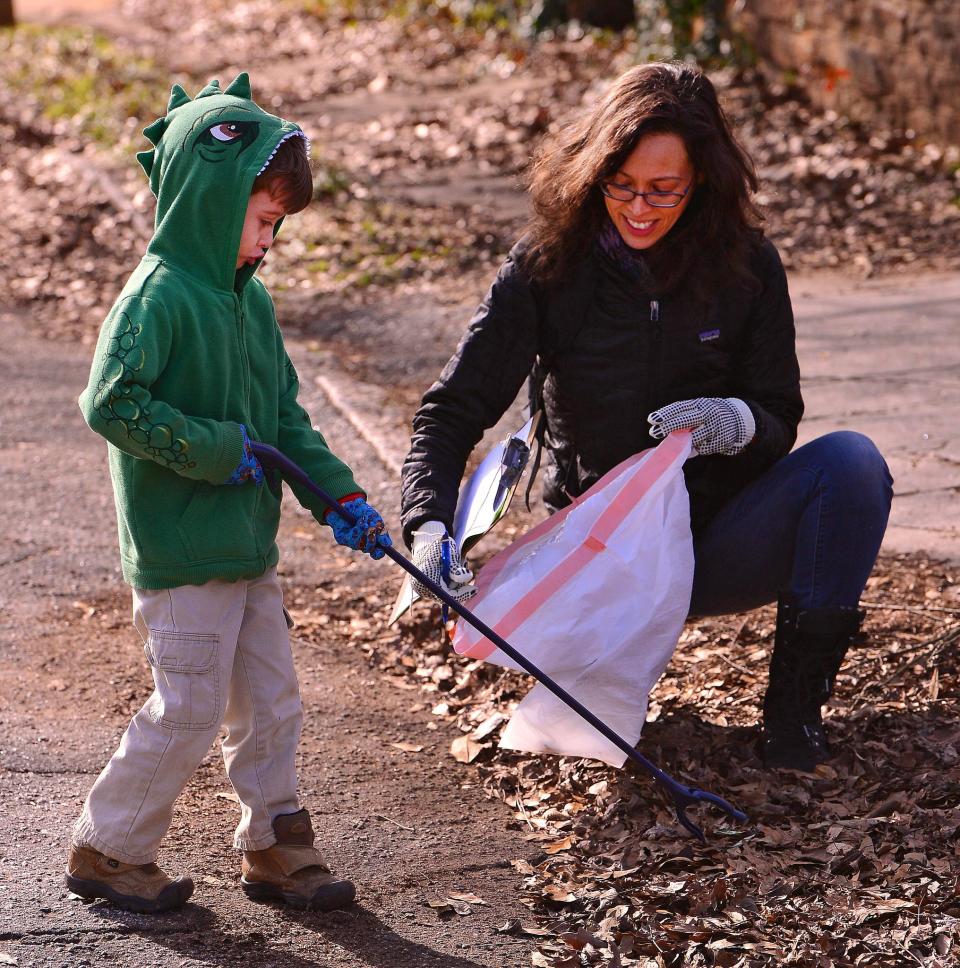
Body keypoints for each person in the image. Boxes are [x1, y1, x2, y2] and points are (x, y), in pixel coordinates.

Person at [400, 62, 892, 774]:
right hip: (600, 554)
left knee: (851, 464)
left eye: (664, 190)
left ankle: (794, 721)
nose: (638, 207)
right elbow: (450, 412)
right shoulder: (547, 268)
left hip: (712, 541)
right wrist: (428, 527)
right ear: (591, 172)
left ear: (704, 184)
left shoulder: (748, 266)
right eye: (620, 185)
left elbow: (781, 413)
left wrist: (739, 421)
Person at [66, 74, 391, 914]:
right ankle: (109, 847)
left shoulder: (253, 306)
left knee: (274, 699)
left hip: (248, 549)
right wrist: (216, 449)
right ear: (211, 201)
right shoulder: (157, 298)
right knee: (190, 707)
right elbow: (111, 402)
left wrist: (340, 499)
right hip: (181, 554)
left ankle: (276, 844)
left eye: (277, 224)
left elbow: (285, 419)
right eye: (262, 221)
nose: (269, 240)